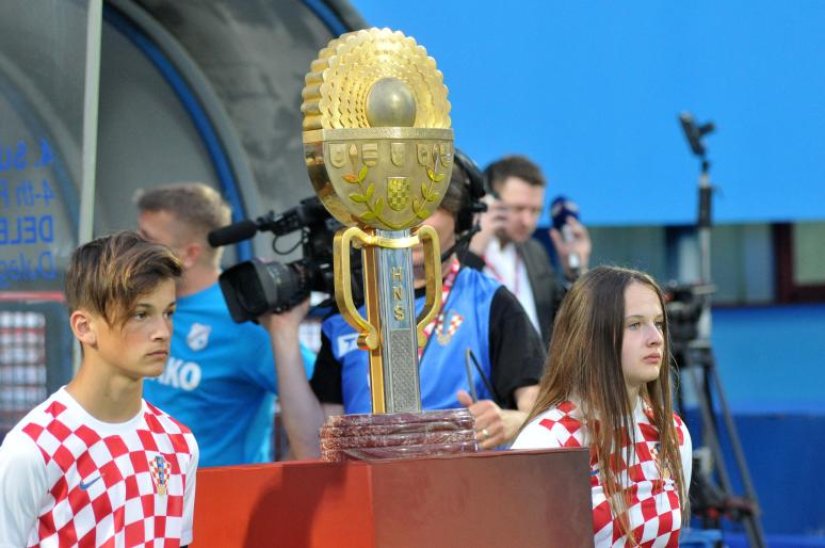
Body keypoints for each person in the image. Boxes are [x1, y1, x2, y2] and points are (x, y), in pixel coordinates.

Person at [262, 155, 547, 459]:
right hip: (368, 497)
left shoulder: (491, 302)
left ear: (461, 218)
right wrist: (283, 332)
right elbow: (312, 448)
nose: (406, 224)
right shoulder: (348, 313)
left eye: (424, 208)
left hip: (465, 496)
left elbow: (542, 413)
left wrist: (511, 422)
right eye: (393, 209)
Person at [0, 231, 198, 547]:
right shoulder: (32, 449)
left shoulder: (179, 442)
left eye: (168, 313)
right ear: (84, 327)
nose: (162, 331)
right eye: (141, 314)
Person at [512, 266, 692, 547]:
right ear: (591, 338)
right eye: (635, 325)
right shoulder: (547, 440)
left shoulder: (672, 431)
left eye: (658, 323)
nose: (656, 338)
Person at [136, 182, 314, 466]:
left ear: (189, 254)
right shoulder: (141, 305)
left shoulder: (245, 319)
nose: (134, 249)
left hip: (217, 504)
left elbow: (324, 414)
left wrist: (279, 485)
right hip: (144, 500)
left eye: (147, 239)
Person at [466, 155, 592, 345]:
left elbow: (559, 324)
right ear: (488, 200)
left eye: (535, 211)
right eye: (518, 209)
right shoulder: (462, 250)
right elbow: (449, 306)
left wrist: (573, 274)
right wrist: (473, 253)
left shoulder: (535, 252)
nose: (527, 221)